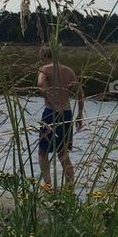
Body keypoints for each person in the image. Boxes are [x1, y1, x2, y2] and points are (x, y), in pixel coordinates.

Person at [36, 43, 84, 189]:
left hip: (51, 112)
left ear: (43, 56)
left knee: (43, 152)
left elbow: (40, 85)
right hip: (67, 113)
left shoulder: (44, 69)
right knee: (63, 153)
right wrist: (79, 114)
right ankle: (69, 186)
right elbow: (80, 92)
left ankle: (48, 185)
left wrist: (51, 101)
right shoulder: (68, 71)